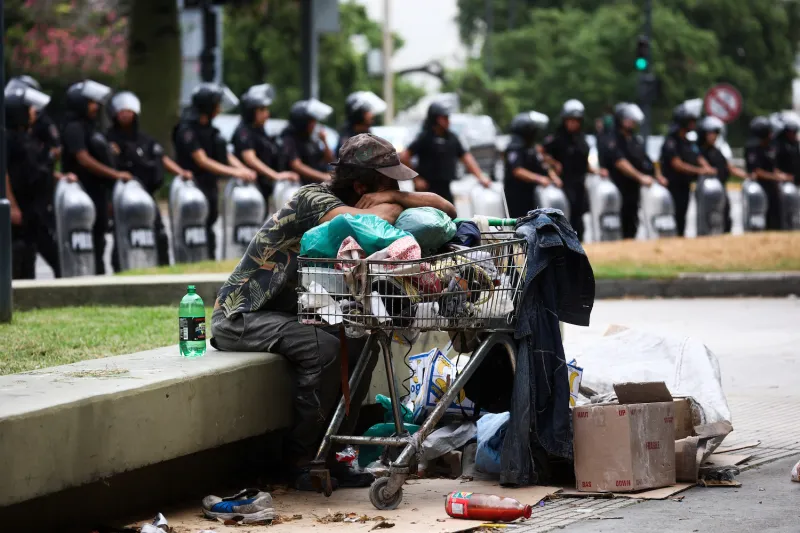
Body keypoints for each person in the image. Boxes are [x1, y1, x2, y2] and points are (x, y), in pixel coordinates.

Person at [211, 133, 456, 491]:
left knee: (361, 342)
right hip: (243, 317)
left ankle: (335, 453)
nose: (396, 187)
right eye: (388, 180)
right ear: (360, 184)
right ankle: (301, 461)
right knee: (324, 348)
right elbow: (373, 221)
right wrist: (394, 203)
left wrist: (396, 195)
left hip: (288, 314)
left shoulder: (376, 195)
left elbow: (446, 208)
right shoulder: (312, 199)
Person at [106, 91, 193, 268]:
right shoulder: (109, 138)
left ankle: (161, 266)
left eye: (129, 111)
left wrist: (180, 172)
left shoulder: (144, 138)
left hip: (147, 194)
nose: (126, 114)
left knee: (158, 234)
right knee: (123, 234)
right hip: (123, 196)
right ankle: (122, 268)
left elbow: (161, 157)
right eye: (122, 111)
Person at [173, 83, 256, 260]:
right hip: (192, 188)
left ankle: (209, 259)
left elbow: (225, 155)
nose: (219, 108)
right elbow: (201, 160)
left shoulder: (212, 130)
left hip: (209, 185)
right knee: (193, 231)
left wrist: (243, 170)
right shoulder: (187, 130)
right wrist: (235, 173)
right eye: (217, 104)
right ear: (208, 106)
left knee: (209, 226)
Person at [5, 83, 76, 279]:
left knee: (33, 253)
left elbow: (34, 168)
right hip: (22, 207)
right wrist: (12, 206)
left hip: (36, 209)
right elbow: (5, 173)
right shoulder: (8, 139)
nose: (33, 112)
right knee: (20, 253)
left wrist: (59, 176)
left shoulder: (27, 138)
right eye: (29, 109)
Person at [61, 79, 128, 275]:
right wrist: (115, 174)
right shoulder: (74, 127)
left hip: (98, 191)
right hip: (84, 192)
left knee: (100, 239)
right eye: (91, 102)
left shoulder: (90, 127)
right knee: (87, 240)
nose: (96, 106)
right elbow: (83, 159)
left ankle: (98, 275)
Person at [400, 101, 491, 204]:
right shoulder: (424, 137)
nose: (448, 121)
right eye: (444, 117)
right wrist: (416, 179)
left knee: (451, 216)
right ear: (435, 119)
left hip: (445, 188)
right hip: (426, 191)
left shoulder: (452, 138)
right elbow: (404, 157)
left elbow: (466, 157)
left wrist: (481, 177)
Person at [542, 99, 606, 240]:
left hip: (579, 185)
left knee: (579, 219)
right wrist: (553, 165)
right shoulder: (556, 139)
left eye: (576, 120)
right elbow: (541, 155)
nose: (573, 123)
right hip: (562, 184)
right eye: (570, 120)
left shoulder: (582, 140)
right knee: (564, 218)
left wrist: (596, 171)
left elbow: (583, 163)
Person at [602, 102, 665, 239]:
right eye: (628, 119)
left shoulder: (635, 140)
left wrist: (657, 175)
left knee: (632, 221)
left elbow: (646, 160)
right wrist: (640, 177)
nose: (632, 123)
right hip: (618, 188)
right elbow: (620, 162)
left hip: (633, 189)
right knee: (619, 222)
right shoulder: (612, 139)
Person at [232, 84, 299, 204]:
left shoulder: (260, 130)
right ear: (251, 111)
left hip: (262, 188)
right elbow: (250, 158)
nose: (267, 114)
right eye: (262, 110)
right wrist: (276, 175)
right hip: (248, 190)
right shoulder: (244, 132)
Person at [660, 102, 715, 237]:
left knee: (682, 215)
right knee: (674, 215)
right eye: (691, 121)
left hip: (685, 185)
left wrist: (707, 167)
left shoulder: (687, 141)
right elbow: (677, 164)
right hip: (673, 186)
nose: (694, 124)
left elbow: (698, 157)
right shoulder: (671, 141)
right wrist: (700, 171)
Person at [503, 111, 560, 219]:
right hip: (517, 197)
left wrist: (553, 176)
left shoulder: (531, 148)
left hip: (531, 196)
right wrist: (539, 179)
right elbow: (517, 170)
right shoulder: (514, 148)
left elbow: (541, 166)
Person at [697, 116, 749, 233]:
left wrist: (747, 176)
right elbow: (703, 164)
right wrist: (708, 169)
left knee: (725, 217)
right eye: (711, 133)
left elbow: (729, 168)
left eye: (716, 133)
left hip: (721, 189)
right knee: (709, 219)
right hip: (707, 191)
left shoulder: (717, 150)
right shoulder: (699, 151)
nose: (714, 136)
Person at [745, 116, 791, 230]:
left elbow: (773, 166)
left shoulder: (771, 146)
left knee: (776, 217)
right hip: (760, 187)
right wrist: (776, 177)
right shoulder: (753, 147)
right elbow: (756, 171)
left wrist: (781, 175)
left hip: (772, 187)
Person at [281, 99, 335, 184]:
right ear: (303, 122)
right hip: (296, 185)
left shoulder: (310, 139)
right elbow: (296, 165)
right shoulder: (289, 139)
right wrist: (323, 176)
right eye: (311, 121)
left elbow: (329, 160)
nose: (314, 124)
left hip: (314, 185)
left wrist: (324, 141)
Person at [335, 91, 387, 157]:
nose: (372, 115)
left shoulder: (368, 134)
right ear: (359, 114)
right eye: (368, 111)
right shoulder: (347, 138)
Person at [775, 113, 800, 186]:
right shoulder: (778, 145)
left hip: (796, 180)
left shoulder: (795, 144)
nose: (794, 134)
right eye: (792, 132)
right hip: (784, 181)